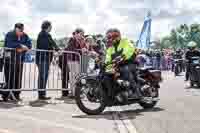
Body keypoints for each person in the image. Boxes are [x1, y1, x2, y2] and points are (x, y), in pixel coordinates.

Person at [104, 28, 141, 99]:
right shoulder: (110, 47)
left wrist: (123, 56)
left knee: (125, 69)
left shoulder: (125, 41)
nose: (110, 39)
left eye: (111, 37)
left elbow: (130, 49)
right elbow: (108, 57)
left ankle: (136, 92)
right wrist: (105, 63)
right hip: (118, 64)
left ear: (117, 36)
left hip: (130, 63)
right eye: (108, 37)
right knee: (107, 72)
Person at [3, 23, 32, 101]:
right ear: (15, 28)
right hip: (9, 61)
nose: (21, 32)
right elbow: (9, 44)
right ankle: (6, 95)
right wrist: (20, 46)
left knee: (18, 78)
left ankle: (16, 94)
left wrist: (22, 48)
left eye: (22, 30)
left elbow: (29, 44)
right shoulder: (10, 34)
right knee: (9, 78)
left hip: (19, 60)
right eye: (19, 30)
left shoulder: (25, 35)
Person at [36, 21, 59, 100]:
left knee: (44, 76)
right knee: (42, 76)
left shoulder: (47, 35)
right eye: (50, 26)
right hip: (42, 59)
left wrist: (57, 49)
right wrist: (54, 49)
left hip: (45, 59)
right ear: (47, 26)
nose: (51, 28)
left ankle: (42, 94)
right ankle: (41, 94)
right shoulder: (42, 34)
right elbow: (45, 46)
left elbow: (52, 43)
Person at [65, 28, 86, 97]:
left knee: (75, 77)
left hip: (76, 60)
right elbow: (69, 48)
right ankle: (74, 93)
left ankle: (74, 92)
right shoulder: (72, 40)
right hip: (72, 60)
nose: (82, 36)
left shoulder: (80, 40)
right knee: (74, 77)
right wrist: (80, 50)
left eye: (83, 34)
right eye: (81, 34)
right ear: (76, 33)